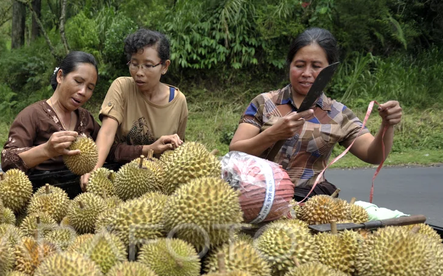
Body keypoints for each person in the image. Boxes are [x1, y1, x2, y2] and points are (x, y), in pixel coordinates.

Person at [229, 27, 402, 201]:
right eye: (299, 65)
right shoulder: (264, 103)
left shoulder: (338, 114)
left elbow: (373, 155)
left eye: (316, 66)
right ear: (289, 65)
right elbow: (235, 151)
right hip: (257, 196)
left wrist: (387, 125)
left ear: (329, 70)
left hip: (310, 201)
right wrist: (272, 135)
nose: (306, 73)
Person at [80, 28, 189, 189]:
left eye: (148, 65)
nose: (139, 72)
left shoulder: (178, 102)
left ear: (164, 66)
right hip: (118, 174)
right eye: (134, 64)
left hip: (156, 183)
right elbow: (107, 133)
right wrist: (93, 170)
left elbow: (177, 149)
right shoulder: (121, 87)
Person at [1, 51, 100, 173]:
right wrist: (46, 150)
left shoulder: (86, 118)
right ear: (60, 76)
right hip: (41, 190)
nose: (83, 91)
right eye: (78, 81)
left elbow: (111, 148)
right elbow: (8, 160)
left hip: (81, 191)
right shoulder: (32, 115)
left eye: (90, 88)